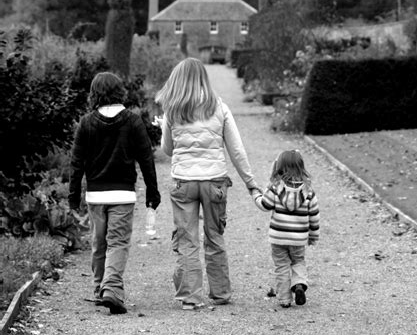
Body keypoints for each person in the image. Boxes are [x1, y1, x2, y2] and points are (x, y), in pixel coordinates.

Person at [155, 58, 260, 310]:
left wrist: (163, 128)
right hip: (215, 181)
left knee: (187, 240)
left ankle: (191, 297)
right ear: (203, 78)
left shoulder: (173, 110)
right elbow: (236, 150)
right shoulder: (219, 107)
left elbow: (167, 149)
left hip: (184, 182)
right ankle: (221, 293)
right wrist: (250, 183)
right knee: (214, 236)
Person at [69, 72, 161, 314]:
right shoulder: (132, 121)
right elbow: (146, 158)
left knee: (99, 243)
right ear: (120, 92)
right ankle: (111, 289)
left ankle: (100, 287)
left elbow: (76, 162)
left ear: (94, 94)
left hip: (96, 196)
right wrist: (153, 191)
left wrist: (73, 196)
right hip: (122, 195)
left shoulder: (86, 122)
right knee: (117, 243)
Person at [252, 150, 320, 308]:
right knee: (298, 261)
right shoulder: (309, 192)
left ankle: (284, 299)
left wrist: (256, 195)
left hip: (278, 237)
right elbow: (314, 216)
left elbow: (264, 205)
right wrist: (313, 235)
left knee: (281, 265)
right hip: (298, 239)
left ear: (280, 167)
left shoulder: (276, 188)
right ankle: (299, 284)